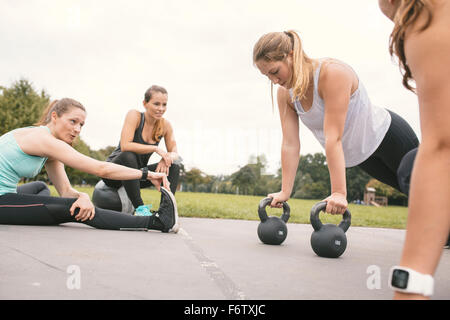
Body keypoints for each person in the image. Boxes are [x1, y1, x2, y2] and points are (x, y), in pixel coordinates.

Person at [253, 30, 419, 215]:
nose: (274, 81)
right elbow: (290, 144)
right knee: (415, 194)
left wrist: (339, 193)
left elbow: (333, 137)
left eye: (275, 71)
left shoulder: (332, 74)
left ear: (291, 55)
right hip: (361, 155)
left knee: (429, 186)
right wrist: (285, 191)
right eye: (267, 76)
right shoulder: (285, 94)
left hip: (387, 136)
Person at [0, 98, 179, 233]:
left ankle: (43, 212)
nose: (77, 129)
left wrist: (82, 195)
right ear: (54, 117)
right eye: (73, 122)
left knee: (41, 188)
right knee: (75, 209)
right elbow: (101, 169)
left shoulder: (49, 148)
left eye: (81, 125)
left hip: (7, 193)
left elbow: (65, 191)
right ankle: (157, 221)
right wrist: (147, 174)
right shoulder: (44, 140)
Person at [378, 0, 450, 299]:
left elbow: (440, 146)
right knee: (411, 165)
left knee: (417, 165)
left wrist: (410, 288)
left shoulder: (426, 14)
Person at [102, 85, 181, 216]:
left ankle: (166, 212)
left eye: (164, 105)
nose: (161, 109)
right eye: (156, 104)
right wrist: (156, 149)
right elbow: (125, 146)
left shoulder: (165, 125)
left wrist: (166, 158)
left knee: (174, 166)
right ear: (145, 103)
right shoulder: (135, 116)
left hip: (137, 176)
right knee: (128, 155)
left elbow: (175, 153)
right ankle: (141, 209)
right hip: (113, 173)